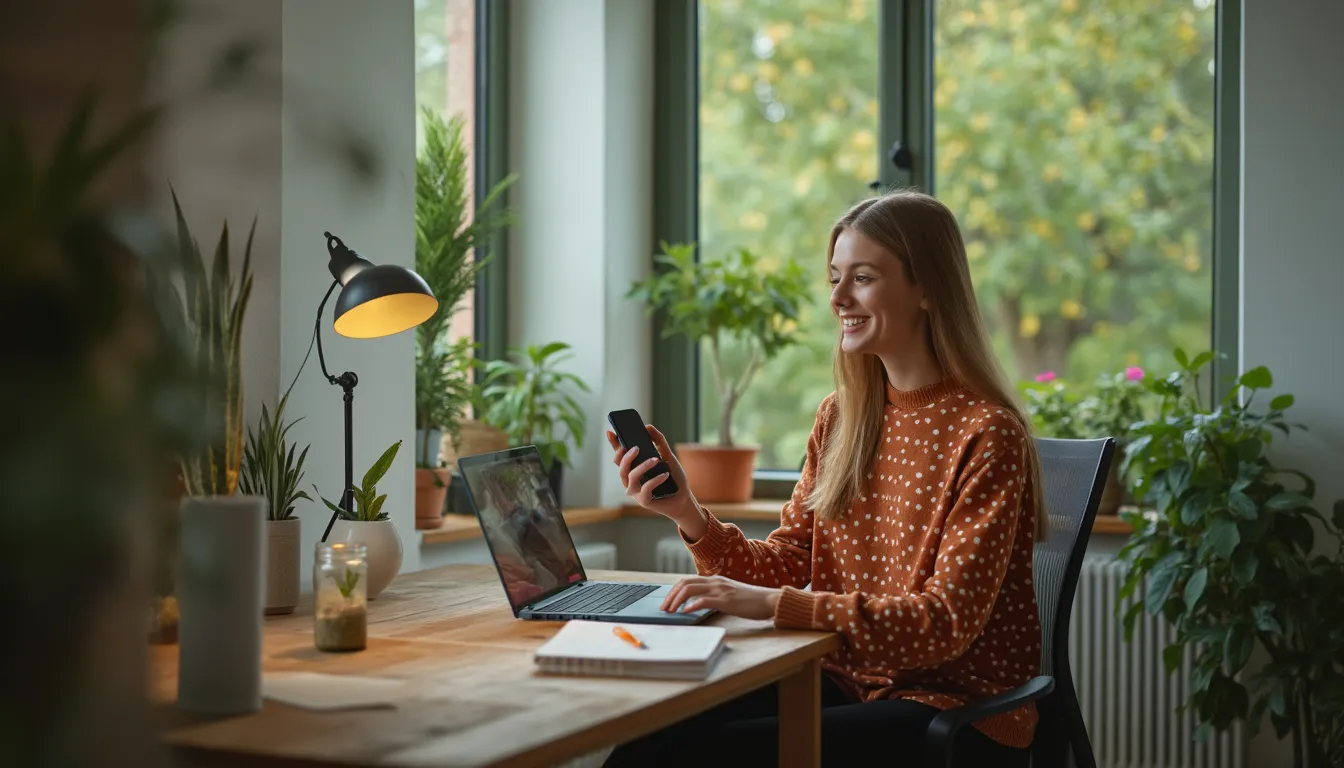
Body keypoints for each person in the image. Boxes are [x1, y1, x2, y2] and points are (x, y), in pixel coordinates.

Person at [603, 191, 1044, 768]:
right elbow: (789, 560)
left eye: (861, 277)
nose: (837, 298)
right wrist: (687, 512)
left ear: (928, 289)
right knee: (652, 736)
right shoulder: (842, 416)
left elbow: (944, 625)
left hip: (951, 711)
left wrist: (772, 605)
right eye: (835, 277)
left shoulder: (987, 433)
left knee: (706, 755)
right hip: (847, 680)